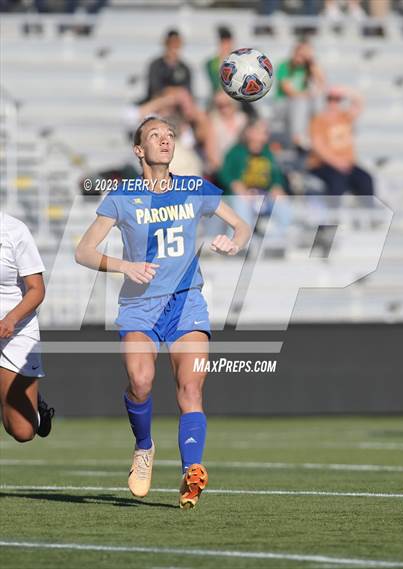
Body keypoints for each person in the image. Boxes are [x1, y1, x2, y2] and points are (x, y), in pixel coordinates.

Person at [75, 115, 251, 509]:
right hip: (140, 305)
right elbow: (83, 251)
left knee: (191, 388)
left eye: (169, 135)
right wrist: (124, 266)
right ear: (139, 150)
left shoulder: (195, 189)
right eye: (154, 136)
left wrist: (234, 241)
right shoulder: (122, 196)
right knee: (140, 382)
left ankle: (192, 472)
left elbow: (241, 226)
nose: (165, 140)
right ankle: (143, 447)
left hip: (187, 301)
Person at [0, 212, 54, 443]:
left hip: (15, 330)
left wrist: (10, 319)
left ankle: (36, 408)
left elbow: (37, 289)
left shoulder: (14, 230)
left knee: (23, 431)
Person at [218, 118, 289, 248]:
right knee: (241, 202)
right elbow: (224, 174)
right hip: (241, 196)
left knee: (283, 203)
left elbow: (276, 176)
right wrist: (235, 185)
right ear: (249, 132)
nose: (264, 136)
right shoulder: (236, 152)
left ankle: (277, 241)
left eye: (265, 133)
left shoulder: (267, 153)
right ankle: (239, 242)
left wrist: (277, 187)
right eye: (260, 132)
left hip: (263, 194)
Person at [307, 85, 375, 197]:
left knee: (366, 180)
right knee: (337, 183)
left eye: (337, 99)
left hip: (346, 164)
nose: (333, 103)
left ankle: (367, 213)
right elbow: (318, 147)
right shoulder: (318, 120)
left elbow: (360, 103)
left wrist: (346, 91)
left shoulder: (345, 116)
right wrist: (337, 162)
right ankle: (333, 213)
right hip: (324, 165)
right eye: (331, 99)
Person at [275, 40, 325, 149]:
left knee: (318, 98)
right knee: (300, 101)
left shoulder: (308, 67)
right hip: (283, 104)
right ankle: (298, 136)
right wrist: (307, 94)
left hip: (302, 104)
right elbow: (289, 91)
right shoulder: (284, 65)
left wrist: (312, 64)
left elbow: (322, 83)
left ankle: (319, 131)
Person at [205, 26, 234, 96]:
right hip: (217, 96)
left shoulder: (238, 62)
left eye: (228, 43)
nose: (227, 46)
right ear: (220, 43)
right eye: (224, 43)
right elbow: (215, 84)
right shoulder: (211, 63)